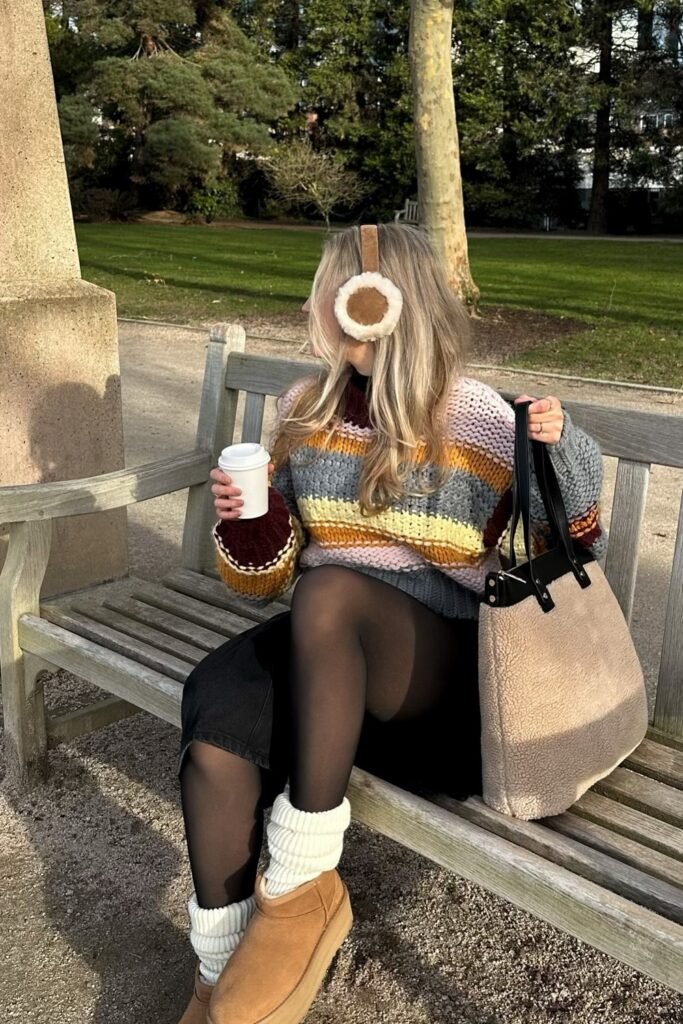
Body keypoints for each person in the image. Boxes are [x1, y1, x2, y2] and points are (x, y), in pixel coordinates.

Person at [176, 223, 607, 1024]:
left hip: (447, 689)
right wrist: (249, 521)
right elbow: (261, 582)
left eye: (323, 289)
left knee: (332, 592)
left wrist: (558, 449)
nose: (311, 305)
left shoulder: (477, 420)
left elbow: (576, 547)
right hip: (331, 662)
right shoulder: (306, 410)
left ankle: (301, 881)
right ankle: (219, 977)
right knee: (214, 712)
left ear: (366, 307)